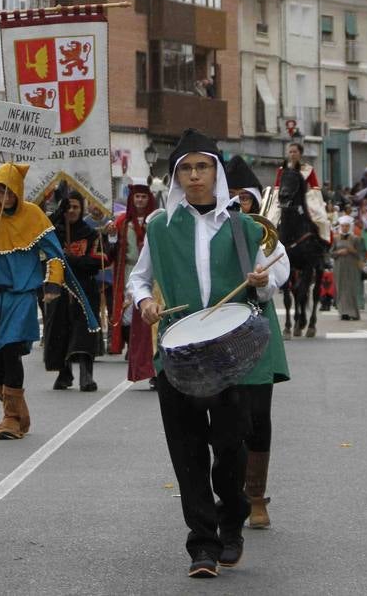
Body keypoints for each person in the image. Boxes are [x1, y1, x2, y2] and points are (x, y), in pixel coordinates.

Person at [127, 130, 285, 579]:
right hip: (178, 354)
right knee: (187, 451)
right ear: (177, 177)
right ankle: (202, 544)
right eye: (186, 169)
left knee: (231, 448)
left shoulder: (244, 224)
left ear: (216, 172)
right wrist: (145, 303)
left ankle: (231, 517)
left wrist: (262, 282)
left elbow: (278, 269)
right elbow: (140, 278)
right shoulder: (160, 225)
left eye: (202, 167)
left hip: (232, 354)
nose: (195, 176)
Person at [0, 162, 93, 440]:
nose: (4, 196)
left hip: (20, 297)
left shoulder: (33, 216)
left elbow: (55, 255)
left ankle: (10, 418)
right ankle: (16, 411)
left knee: (10, 351)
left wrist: (53, 282)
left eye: (9, 190)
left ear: (18, 191)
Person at [224, 155, 291, 532]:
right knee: (222, 414)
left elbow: (279, 274)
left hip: (256, 325)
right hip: (220, 329)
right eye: (229, 196)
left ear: (253, 201)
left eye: (243, 198)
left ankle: (256, 496)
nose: (236, 204)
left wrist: (263, 279)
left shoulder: (266, 235)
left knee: (257, 414)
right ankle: (228, 490)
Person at [45, 191, 106, 392]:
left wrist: (71, 260)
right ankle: (64, 374)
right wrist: (57, 213)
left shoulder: (90, 234)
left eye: (75, 207)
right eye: (67, 207)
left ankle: (86, 376)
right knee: (60, 330)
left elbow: (95, 263)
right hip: (59, 289)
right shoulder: (53, 232)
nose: (71, 211)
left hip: (84, 290)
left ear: (82, 209)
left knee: (84, 331)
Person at [112, 179, 158, 386]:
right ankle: (136, 356)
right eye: (136, 196)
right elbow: (112, 253)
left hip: (153, 275)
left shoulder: (157, 221)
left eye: (143, 196)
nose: (140, 200)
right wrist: (111, 238)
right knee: (127, 320)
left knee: (151, 323)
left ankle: (154, 366)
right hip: (129, 272)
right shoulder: (122, 223)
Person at [274, 142, 330, 241]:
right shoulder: (282, 170)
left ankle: (322, 243)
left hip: (304, 199)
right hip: (283, 199)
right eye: (290, 152)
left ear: (300, 153)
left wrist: (308, 199)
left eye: (295, 152)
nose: (292, 154)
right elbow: (277, 187)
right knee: (272, 218)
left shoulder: (308, 169)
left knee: (321, 220)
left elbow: (315, 188)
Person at [332, 216, 366, 320]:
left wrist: (352, 251)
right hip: (339, 267)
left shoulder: (356, 239)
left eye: (347, 226)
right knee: (341, 289)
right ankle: (343, 313)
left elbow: (361, 254)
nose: (344, 228)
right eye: (343, 226)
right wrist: (338, 252)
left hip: (352, 268)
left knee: (351, 289)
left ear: (350, 227)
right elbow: (330, 253)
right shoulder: (336, 238)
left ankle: (353, 313)